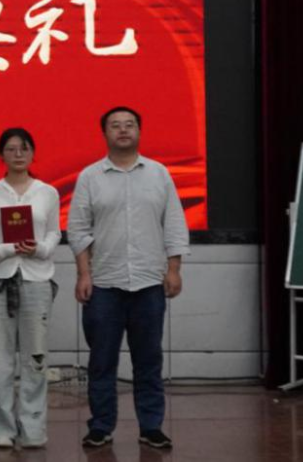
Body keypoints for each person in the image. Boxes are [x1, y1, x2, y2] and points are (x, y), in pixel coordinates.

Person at [67, 106, 189, 450]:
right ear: (105, 133)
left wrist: (174, 269)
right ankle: (100, 426)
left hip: (149, 282)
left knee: (148, 361)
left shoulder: (158, 173)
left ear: (139, 131)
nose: (123, 130)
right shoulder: (90, 176)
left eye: (129, 125)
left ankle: (151, 426)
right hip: (104, 283)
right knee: (102, 361)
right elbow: (78, 229)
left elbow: (174, 223)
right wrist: (84, 274)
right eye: (115, 126)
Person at [0, 127, 62, 449]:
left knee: (35, 356)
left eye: (24, 148)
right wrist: (3, 250)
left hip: (37, 278)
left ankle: (33, 429)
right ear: (1, 155)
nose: (18, 154)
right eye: (11, 149)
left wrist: (40, 248)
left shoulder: (47, 192)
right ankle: (1, 427)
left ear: (33, 153)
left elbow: (54, 233)